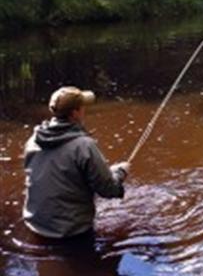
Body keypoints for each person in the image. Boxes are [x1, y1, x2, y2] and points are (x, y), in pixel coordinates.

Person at [23, 86, 130, 239]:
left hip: (34, 225)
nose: (84, 110)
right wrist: (121, 172)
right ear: (75, 113)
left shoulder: (32, 140)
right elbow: (108, 190)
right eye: (82, 107)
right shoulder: (84, 145)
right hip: (71, 233)